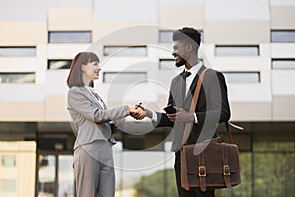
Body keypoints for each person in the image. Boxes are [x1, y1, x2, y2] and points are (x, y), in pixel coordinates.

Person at [144, 27, 231, 197]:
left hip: (204, 153)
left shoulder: (213, 76)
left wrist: (190, 116)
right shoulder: (176, 82)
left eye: (176, 48)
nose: (173, 52)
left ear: (189, 48)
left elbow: (223, 113)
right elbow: (173, 119)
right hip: (182, 155)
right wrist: (148, 114)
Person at [66, 51, 145, 197]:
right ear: (82, 67)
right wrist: (125, 108)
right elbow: (97, 116)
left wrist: (126, 114)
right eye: (95, 64)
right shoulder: (75, 92)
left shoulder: (95, 95)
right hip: (89, 148)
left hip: (105, 150)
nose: (99, 68)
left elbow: (106, 126)